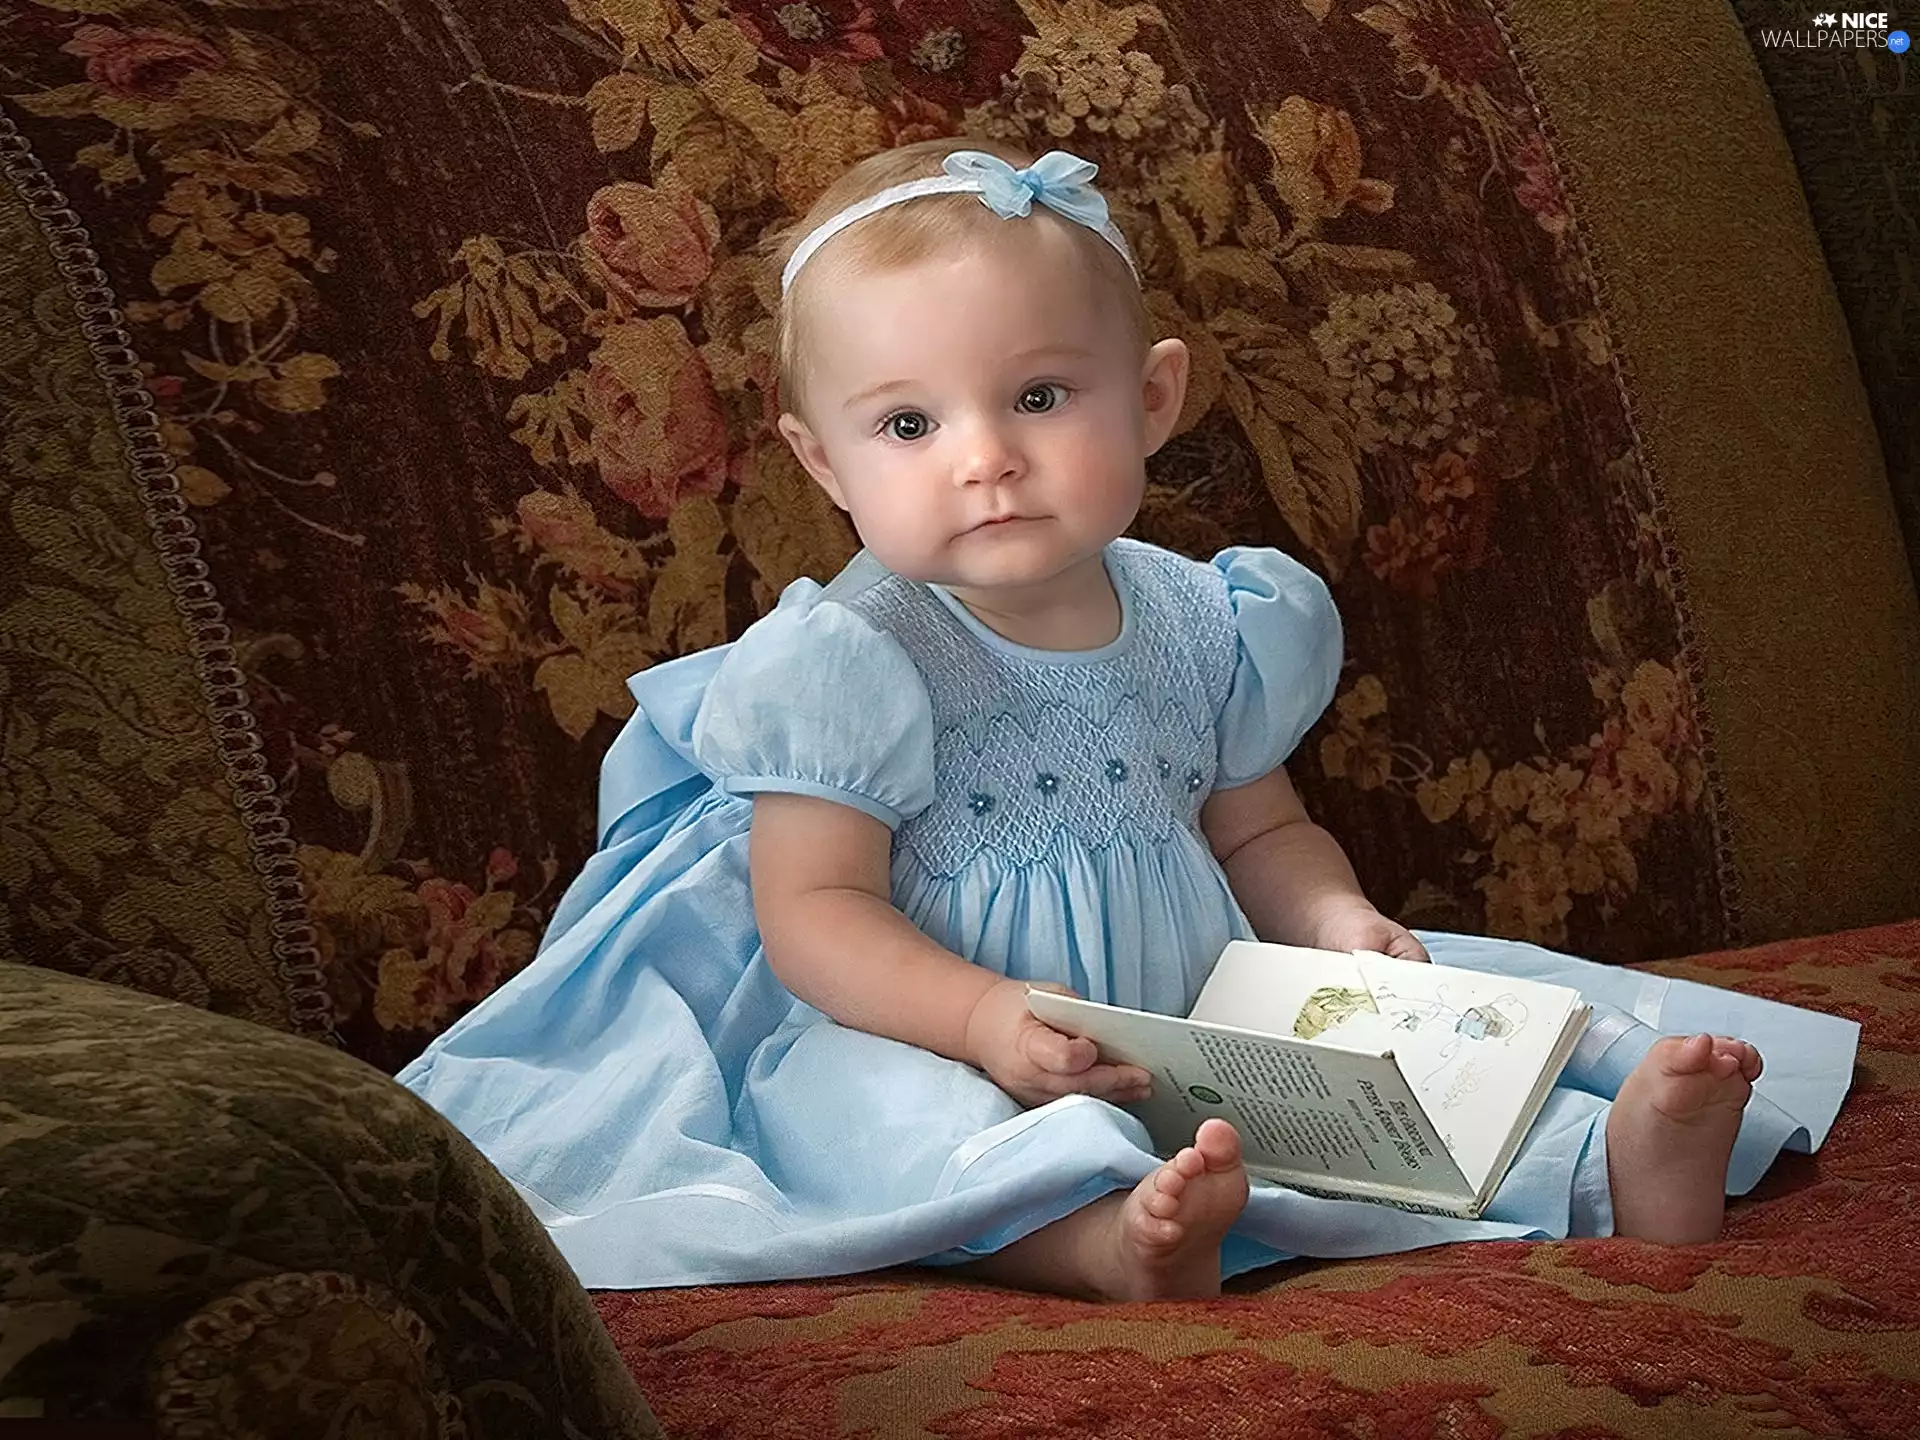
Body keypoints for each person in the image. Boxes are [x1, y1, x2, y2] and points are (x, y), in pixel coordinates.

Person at [398, 138, 1857, 1300]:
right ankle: (1113, 1251)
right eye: (909, 426)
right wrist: (978, 1017)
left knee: (1418, 1065)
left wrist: (1336, 916)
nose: (985, 460)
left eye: (1039, 394)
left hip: (1203, 1003)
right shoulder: (850, 656)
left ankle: (1611, 1168)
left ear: (1152, 398)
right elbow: (814, 917)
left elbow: (1259, 824)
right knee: (912, 1138)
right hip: (938, 1026)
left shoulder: (1204, 617)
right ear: (821, 460)